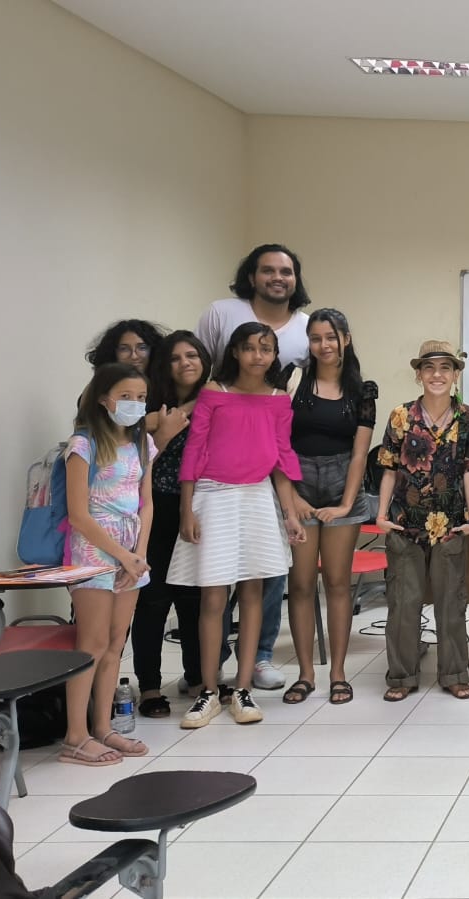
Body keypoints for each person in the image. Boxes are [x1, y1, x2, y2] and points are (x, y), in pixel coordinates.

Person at [169, 322, 306, 728]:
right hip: (213, 496)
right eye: (249, 348)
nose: (257, 356)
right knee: (213, 598)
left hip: (258, 498)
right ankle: (210, 690)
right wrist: (186, 509)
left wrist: (290, 513)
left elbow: (281, 458)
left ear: (273, 354)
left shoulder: (280, 399)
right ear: (235, 352)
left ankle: (242, 688)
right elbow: (193, 450)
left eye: (265, 349)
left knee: (252, 595)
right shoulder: (214, 392)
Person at [196, 244, 315, 691]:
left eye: (286, 271)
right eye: (268, 270)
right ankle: (211, 667)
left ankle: (260, 656)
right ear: (252, 276)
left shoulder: (306, 328)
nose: (277, 278)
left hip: (272, 454)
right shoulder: (221, 312)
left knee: (263, 570)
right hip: (218, 464)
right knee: (216, 574)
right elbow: (199, 371)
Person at [375, 341, 469, 702]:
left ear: (456, 375)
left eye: (445, 368)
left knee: (450, 603)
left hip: (450, 525)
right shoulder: (400, 416)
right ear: (418, 374)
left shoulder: (467, 417)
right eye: (429, 368)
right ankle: (402, 677)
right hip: (405, 524)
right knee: (403, 604)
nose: (437, 375)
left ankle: (453, 673)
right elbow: (389, 470)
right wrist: (381, 514)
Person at [57, 363, 156, 765]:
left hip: (132, 555)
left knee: (116, 644)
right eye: (125, 396)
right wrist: (122, 556)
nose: (134, 404)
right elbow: (79, 515)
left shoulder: (144, 444)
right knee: (91, 645)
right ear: (103, 399)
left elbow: (146, 503)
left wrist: (139, 556)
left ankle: (103, 727)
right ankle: (74, 736)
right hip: (92, 554)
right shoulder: (82, 445)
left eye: (140, 397)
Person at [283, 309, 378, 706]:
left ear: (346, 339)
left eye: (331, 337)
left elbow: (359, 455)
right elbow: (279, 445)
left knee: (338, 584)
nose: (324, 345)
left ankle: (338, 674)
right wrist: (292, 499)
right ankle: (305, 674)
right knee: (302, 584)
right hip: (297, 483)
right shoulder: (290, 381)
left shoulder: (363, 391)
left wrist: (344, 505)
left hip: (344, 485)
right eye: (316, 338)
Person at [130, 332, 211, 717]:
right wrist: (167, 429)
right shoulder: (149, 407)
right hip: (157, 507)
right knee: (153, 598)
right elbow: (130, 451)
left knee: (196, 598)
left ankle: (197, 678)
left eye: (192, 355)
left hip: (202, 507)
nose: (185, 363)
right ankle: (148, 687)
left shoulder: (219, 401)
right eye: (176, 357)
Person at [86, 319, 166, 370]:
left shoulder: (166, 387)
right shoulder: (99, 387)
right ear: (112, 353)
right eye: (124, 349)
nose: (134, 356)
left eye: (142, 348)